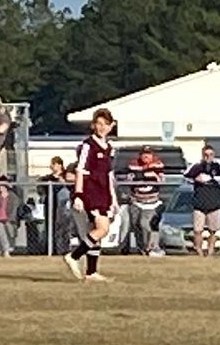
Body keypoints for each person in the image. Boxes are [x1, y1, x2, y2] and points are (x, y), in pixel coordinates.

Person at [64, 109, 118, 283]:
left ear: (111, 126)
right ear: (93, 125)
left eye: (105, 124)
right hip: (90, 192)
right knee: (103, 229)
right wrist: (78, 195)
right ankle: (74, 256)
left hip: (103, 194)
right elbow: (80, 170)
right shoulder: (88, 145)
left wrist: (113, 198)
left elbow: (109, 175)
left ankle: (91, 272)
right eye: (99, 124)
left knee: (95, 233)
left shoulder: (109, 148)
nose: (102, 127)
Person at [185, 144, 220, 257]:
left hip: (214, 203)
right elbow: (186, 176)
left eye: (211, 154)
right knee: (198, 230)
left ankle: (210, 251)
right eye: (206, 155)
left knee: (213, 230)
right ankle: (198, 250)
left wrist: (211, 178)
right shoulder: (197, 165)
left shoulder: (217, 165)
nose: (208, 157)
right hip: (199, 203)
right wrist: (195, 179)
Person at [126, 146, 165, 255]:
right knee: (135, 225)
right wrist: (144, 174)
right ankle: (142, 248)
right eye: (144, 154)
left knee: (144, 223)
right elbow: (131, 177)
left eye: (148, 154)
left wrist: (144, 174)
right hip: (136, 201)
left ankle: (149, 247)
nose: (146, 156)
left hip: (151, 203)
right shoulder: (134, 164)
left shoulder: (157, 164)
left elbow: (159, 179)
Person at [39, 157, 72, 254]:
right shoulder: (48, 178)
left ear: (59, 165)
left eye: (54, 164)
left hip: (63, 206)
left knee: (64, 228)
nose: (52, 166)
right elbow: (41, 184)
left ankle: (64, 249)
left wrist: (62, 180)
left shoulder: (65, 175)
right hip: (50, 205)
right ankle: (51, 249)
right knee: (50, 227)